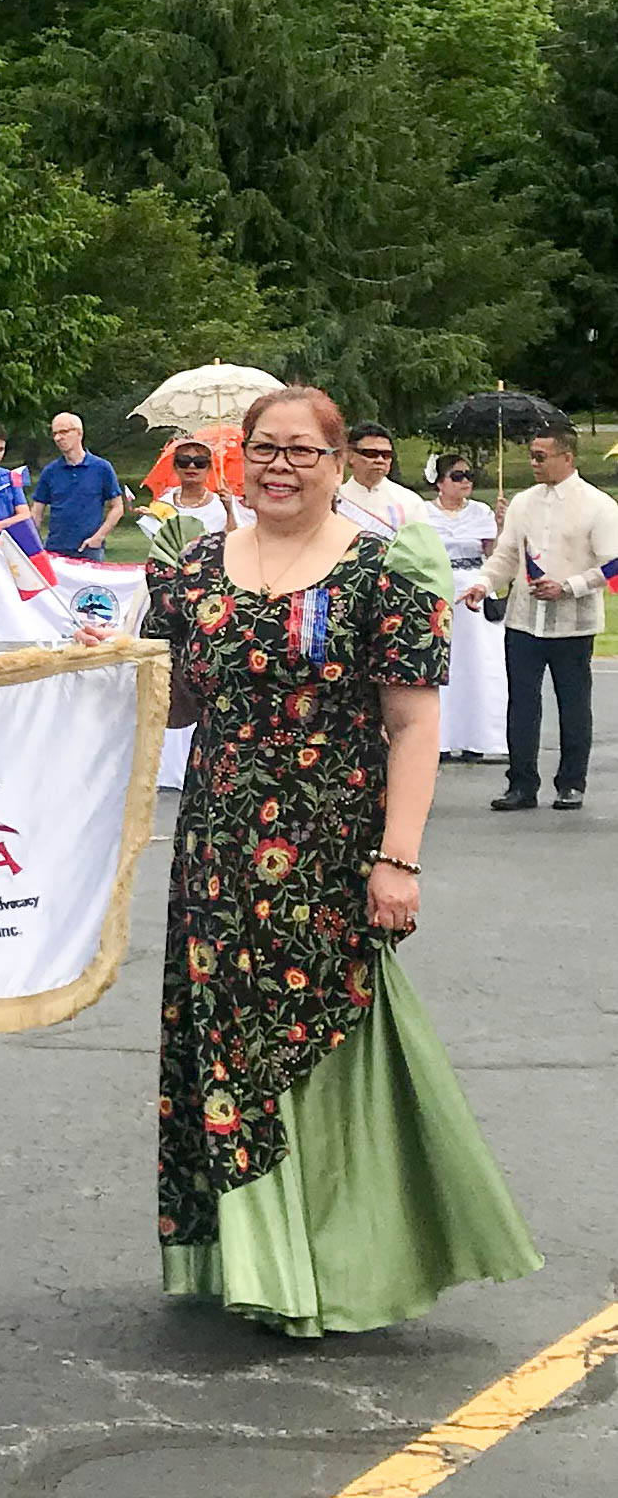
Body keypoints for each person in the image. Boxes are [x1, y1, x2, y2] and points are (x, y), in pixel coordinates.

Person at [94, 383, 539, 1335]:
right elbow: (175, 709)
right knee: (222, 1043)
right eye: (264, 449)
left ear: (339, 465)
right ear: (237, 457)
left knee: (316, 1041)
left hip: (331, 850)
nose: (280, 466)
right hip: (215, 854)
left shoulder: (384, 571)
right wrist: (120, 660)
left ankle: (331, 1263)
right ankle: (250, 1261)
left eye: (303, 451)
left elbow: (413, 725)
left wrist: (399, 859)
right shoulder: (194, 568)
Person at [460, 426, 618, 812]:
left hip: (573, 623)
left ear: (567, 458)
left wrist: (569, 586)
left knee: (573, 704)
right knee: (523, 703)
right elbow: (507, 555)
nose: (532, 463)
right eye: (531, 455)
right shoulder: (524, 502)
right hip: (524, 619)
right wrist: (483, 583)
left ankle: (571, 783)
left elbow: (613, 565)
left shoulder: (599, 506)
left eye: (540, 456)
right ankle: (521, 784)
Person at [424, 455, 506, 761]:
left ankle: (479, 738)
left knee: (478, 664)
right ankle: (441, 739)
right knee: (445, 664)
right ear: (440, 482)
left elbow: (493, 554)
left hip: (474, 586)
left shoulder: (481, 511)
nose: (465, 481)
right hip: (439, 587)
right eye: (457, 476)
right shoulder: (423, 513)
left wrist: (499, 527)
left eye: (468, 475)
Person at [31, 412, 124, 560]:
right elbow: (36, 512)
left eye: (64, 432)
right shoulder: (50, 471)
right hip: (55, 551)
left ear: (79, 433)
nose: (58, 438)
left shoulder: (102, 468)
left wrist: (98, 537)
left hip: (90, 550)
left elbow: (118, 507)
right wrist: (33, 544)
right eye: (55, 433)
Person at [340, 421, 429, 533]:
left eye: (386, 455)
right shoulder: (335, 500)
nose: (380, 460)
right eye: (371, 454)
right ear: (351, 456)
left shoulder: (410, 502)